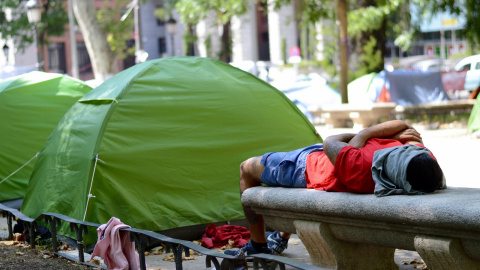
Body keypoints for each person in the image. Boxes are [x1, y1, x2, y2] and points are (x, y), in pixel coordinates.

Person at [224, 120, 445, 264]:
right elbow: (404, 124)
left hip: (308, 167)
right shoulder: (421, 159)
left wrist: (363, 136)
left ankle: (258, 244)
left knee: (247, 168)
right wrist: (366, 137)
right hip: (332, 160)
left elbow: (330, 141)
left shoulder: (362, 164)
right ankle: (281, 234)